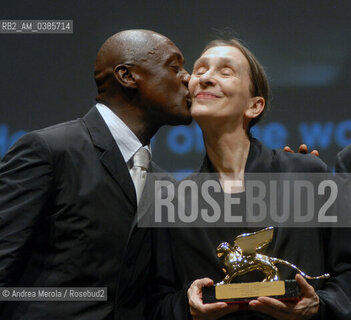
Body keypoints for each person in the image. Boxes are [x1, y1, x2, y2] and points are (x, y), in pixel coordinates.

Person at [150, 39, 351, 319]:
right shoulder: (173, 202)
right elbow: (155, 301)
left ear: (254, 106)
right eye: (200, 70)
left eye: (225, 71)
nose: (206, 78)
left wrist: (320, 306)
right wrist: (186, 307)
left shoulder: (308, 174)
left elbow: (346, 274)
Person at [0, 29, 191, 319]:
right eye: (174, 67)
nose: (188, 78)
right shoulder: (50, 151)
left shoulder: (163, 183)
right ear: (127, 76)